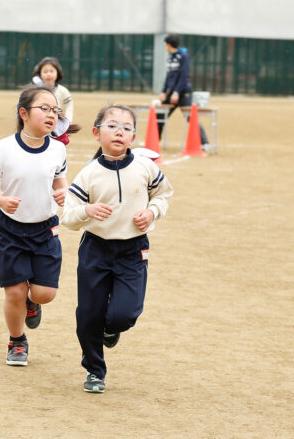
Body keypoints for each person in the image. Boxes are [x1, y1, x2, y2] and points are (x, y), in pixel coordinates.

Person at [62, 104, 173, 393]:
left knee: (125, 314)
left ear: (133, 137)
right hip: (95, 250)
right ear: (96, 133)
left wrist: (152, 212)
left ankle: (112, 329)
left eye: (126, 128)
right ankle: (95, 370)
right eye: (112, 125)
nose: (119, 131)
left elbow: (163, 193)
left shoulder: (145, 167)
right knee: (89, 313)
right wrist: (87, 210)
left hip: (133, 250)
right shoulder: (88, 175)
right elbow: (68, 218)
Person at [0, 86, 68, 366]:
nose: (51, 114)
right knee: (15, 291)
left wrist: (62, 192)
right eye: (44, 108)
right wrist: (1, 200)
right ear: (24, 113)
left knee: (44, 293)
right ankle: (17, 341)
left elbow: (59, 179)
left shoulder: (58, 149)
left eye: (55, 110)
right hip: (10, 229)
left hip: (45, 229)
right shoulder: (4, 148)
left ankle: (32, 304)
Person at [157, 35, 209, 148]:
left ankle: (204, 143)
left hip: (183, 92)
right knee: (160, 114)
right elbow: (168, 76)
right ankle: (155, 140)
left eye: (166, 44)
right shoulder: (170, 57)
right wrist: (164, 91)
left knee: (191, 117)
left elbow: (184, 76)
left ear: (169, 45)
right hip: (171, 93)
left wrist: (176, 92)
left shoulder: (183, 56)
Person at [32, 57, 74, 122]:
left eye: (52, 71)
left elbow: (68, 109)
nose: (49, 74)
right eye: (45, 72)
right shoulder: (34, 92)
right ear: (40, 74)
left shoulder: (63, 91)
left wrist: (66, 124)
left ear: (57, 73)